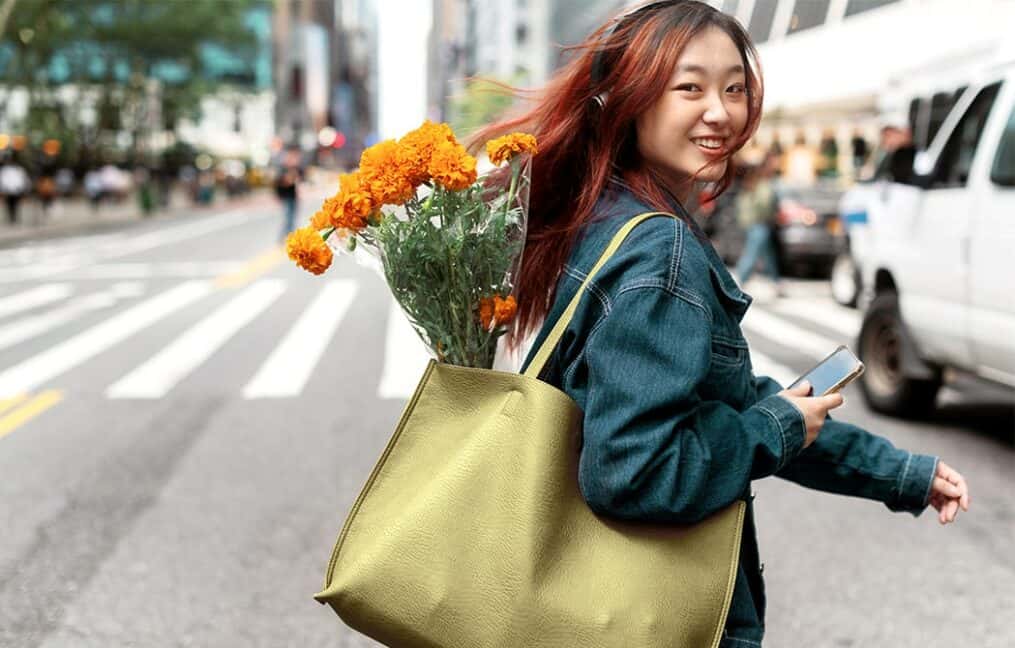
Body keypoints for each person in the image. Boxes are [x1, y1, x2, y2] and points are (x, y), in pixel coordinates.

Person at [472, 2, 970, 646]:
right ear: (630, 100)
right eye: (690, 87)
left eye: (734, 88)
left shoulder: (610, 219)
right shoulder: (659, 252)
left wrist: (896, 473)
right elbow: (634, 471)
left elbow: (728, 402)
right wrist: (776, 427)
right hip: (662, 618)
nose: (721, 111)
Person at [733, 154, 783, 294]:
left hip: (755, 222)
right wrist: (773, 214)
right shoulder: (764, 182)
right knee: (753, 252)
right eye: (774, 162)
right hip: (759, 223)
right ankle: (741, 279)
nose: (777, 165)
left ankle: (775, 282)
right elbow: (764, 203)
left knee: (767, 254)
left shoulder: (757, 180)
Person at [274, 145, 304, 242]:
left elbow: (299, 180)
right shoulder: (283, 169)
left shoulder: (295, 169)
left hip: (293, 197)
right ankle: (285, 238)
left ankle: (289, 237)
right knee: (288, 218)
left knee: (292, 218)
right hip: (286, 197)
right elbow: (281, 182)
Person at [0, 156, 31, 225]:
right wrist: (3, 189)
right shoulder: (5, 170)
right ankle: (11, 218)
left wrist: (24, 189)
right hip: (8, 190)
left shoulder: (19, 170)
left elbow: (23, 180)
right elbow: (2, 180)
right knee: (9, 205)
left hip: (17, 190)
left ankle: (15, 218)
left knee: (16, 205)